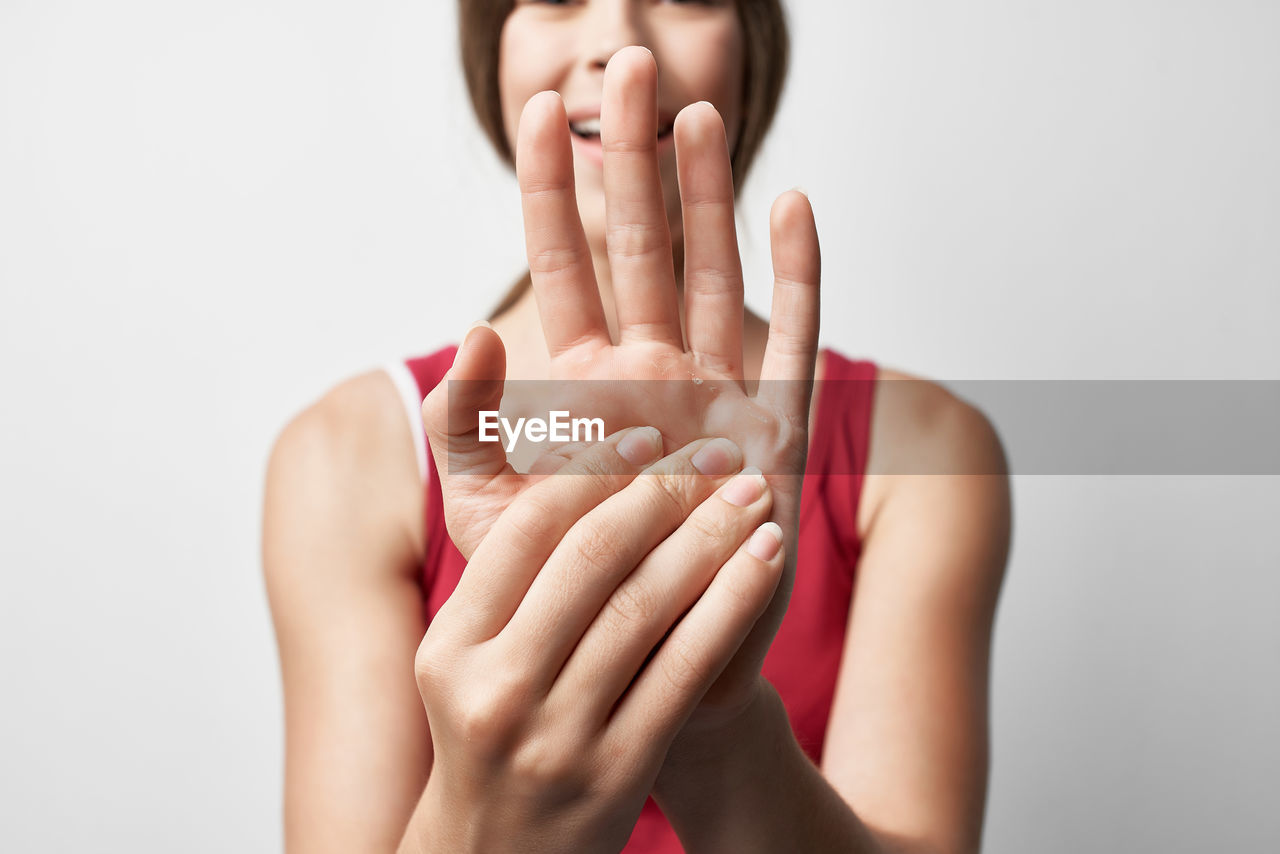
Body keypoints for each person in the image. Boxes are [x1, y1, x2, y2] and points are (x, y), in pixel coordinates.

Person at [262, 2, 1011, 852]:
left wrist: (720, 722)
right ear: (490, 44)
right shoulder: (347, 455)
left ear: (754, 45)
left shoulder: (928, 454)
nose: (619, 46)